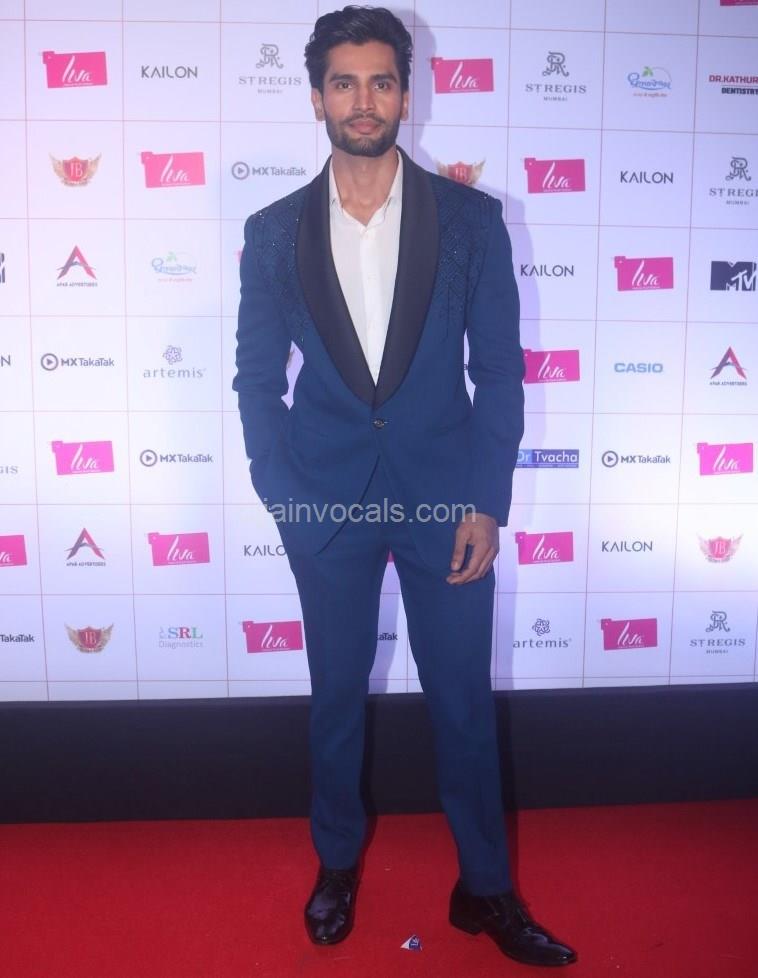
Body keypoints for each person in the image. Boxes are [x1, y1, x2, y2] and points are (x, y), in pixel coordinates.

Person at [233, 5, 577, 967]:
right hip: (326, 508)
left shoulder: (470, 221)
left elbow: (499, 373)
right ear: (316, 98)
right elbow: (255, 381)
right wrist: (285, 499)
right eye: (343, 83)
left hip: (447, 505)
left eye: (380, 81)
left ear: (405, 95)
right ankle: (337, 864)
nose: (363, 100)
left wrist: (487, 500)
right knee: (336, 699)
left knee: (463, 703)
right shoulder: (272, 232)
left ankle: (486, 888)